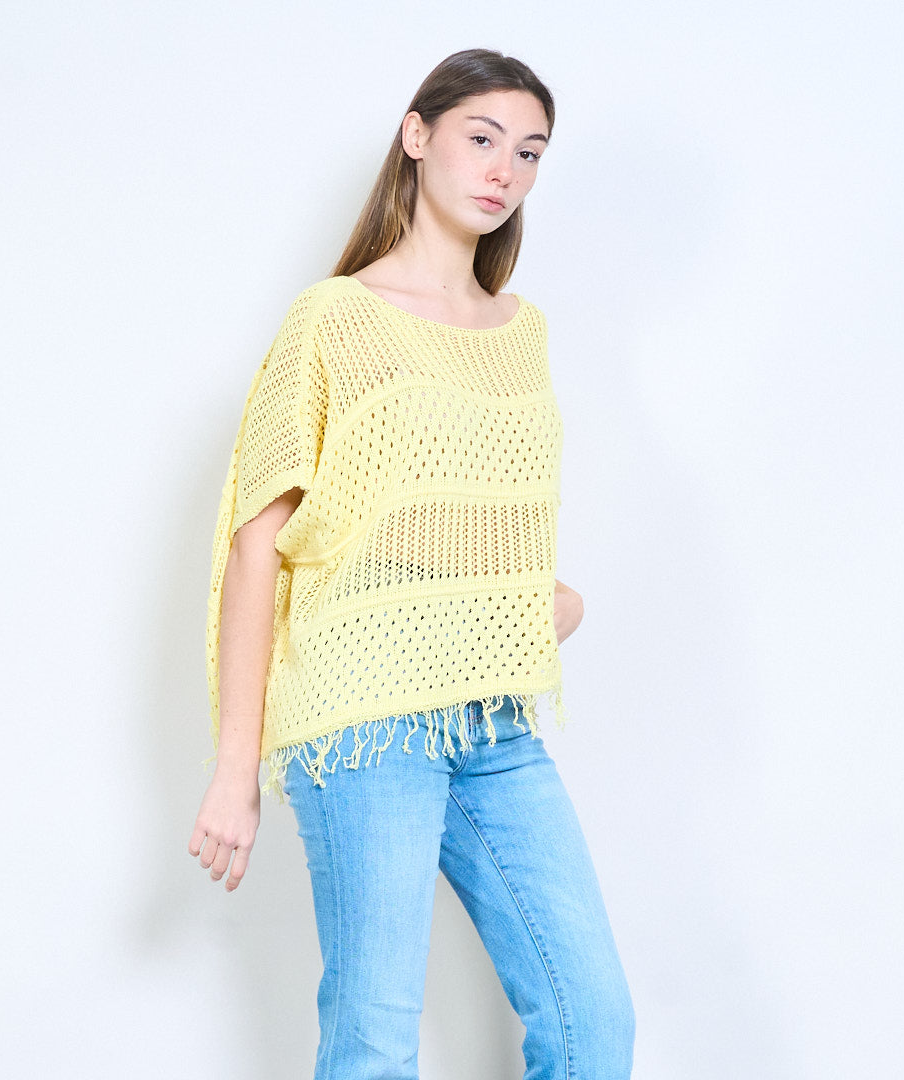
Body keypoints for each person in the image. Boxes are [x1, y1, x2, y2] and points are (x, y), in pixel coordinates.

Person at [188, 48, 635, 1080]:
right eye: (483, 138)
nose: (504, 171)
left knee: (592, 1021)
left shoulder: (524, 333)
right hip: (362, 728)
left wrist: (543, 605)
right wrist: (234, 770)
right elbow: (258, 543)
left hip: (496, 722)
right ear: (417, 134)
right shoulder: (334, 319)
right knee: (374, 1040)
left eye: (529, 153)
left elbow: (475, 528)